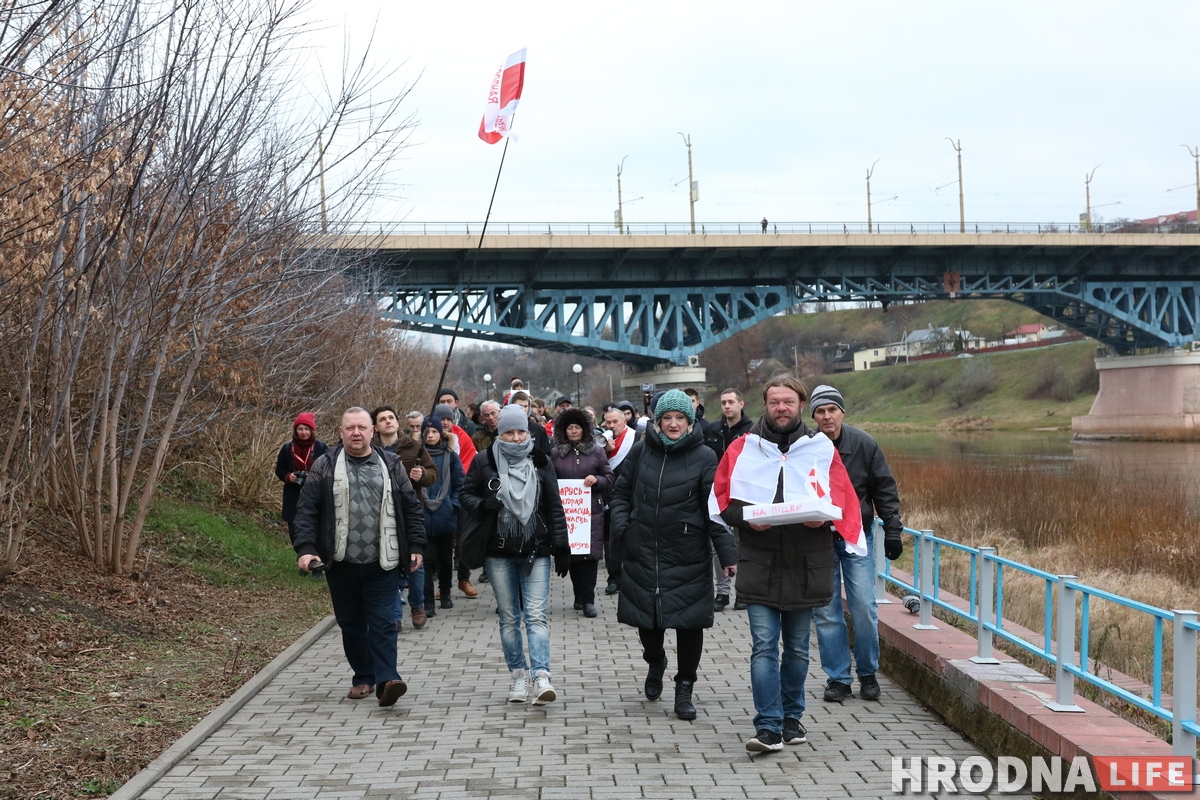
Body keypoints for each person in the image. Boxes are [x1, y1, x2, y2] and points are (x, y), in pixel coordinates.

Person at [711, 375, 861, 752]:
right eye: (775, 401)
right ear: (765, 405)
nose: (781, 408)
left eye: (788, 402)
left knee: (796, 649)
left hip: (807, 561)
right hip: (759, 559)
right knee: (763, 646)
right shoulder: (744, 447)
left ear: (799, 405)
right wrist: (746, 519)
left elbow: (842, 497)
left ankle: (792, 717)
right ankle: (767, 725)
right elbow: (722, 498)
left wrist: (824, 518)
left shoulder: (820, 448)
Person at [609, 390, 736, 721]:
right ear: (658, 421)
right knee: (647, 621)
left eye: (681, 418)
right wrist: (624, 528)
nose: (674, 424)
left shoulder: (705, 456)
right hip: (643, 549)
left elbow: (715, 510)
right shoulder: (641, 451)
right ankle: (655, 661)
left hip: (687, 551)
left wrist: (727, 553)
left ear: (690, 421)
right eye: (667, 418)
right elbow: (620, 493)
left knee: (688, 622)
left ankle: (685, 687)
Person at [293, 408, 426, 707]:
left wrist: (416, 544)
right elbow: (306, 511)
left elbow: (410, 508)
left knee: (382, 623)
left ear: (371, 432)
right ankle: (363, 676)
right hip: (340, 563)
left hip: (383, 560)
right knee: (351, 624)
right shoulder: (324, 465)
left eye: (362, 427)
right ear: (340, 432)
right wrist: (306, 549)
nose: (356, 433)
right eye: (350, 428)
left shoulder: (391, 464)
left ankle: (388, 680)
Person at [459, 404, 571, 705]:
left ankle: (542, 676)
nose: (517, 437)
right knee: (509, 618)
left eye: (521, 430)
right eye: (509, 432)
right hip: (498, 552)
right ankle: (519, 676)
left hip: (537, 548)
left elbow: (554, 505)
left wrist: (562, 547)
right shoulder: (485, 461)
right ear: (500, 432)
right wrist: (484, 505)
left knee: (536, 616)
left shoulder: (541, 460)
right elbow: (465, 495)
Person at [808, 385, 903, 704]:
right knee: (826, 611)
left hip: (856, 537)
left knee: (863, 605)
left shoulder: (864, 444)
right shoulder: (805, 447)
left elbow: (885, 489)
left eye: (831, 410)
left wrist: (893, 529)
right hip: (818, 539)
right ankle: (838, 678)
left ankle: (867, 672)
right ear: (814, 417)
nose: (826, 416)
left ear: (842, 412)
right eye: (820, 412)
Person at [371, 405, 438, 630]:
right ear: (375, 426)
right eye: (383, 419)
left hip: (409, 512)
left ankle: (417, 604)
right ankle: (395, 615)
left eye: (391, 417)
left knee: (414, 564)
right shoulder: (369, 450)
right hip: (382, 516)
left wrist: (422, 475)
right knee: (389, 564)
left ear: (398, 422)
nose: (388, 421)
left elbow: (432, 474)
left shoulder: (414, 447)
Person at [550, 408, 614, 618]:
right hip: (567, 513)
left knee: (590, 557)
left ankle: (588, 600)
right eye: (570, 427)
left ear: (584, 429)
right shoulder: (556, 453)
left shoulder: (596, 451)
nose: (574, 431)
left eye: (578, 427)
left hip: (591, 512)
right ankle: (579, 595)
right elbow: (549, 481)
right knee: (574, 556)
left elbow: (609, 477)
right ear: (564, 430)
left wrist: (597, 481)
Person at [702, 388, 753, 612]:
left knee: (743, 544)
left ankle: (742, 591)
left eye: (731, 402)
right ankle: (722, 592)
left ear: (741, 404)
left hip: (744, 493)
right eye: (723, 402)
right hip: (718, 492)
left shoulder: (752, 431)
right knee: (718, 542)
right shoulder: (713, 430)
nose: (726, 406)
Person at [418, 416, 464, 613]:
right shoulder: (418, 456)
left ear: (441, 433)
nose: (431, 435)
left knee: (445, 559)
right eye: (427, 432)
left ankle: (445, 592)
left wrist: (453, 505)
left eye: (435, 431)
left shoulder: (450, 455)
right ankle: (428, 601)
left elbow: (459, 483)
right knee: (426, 560)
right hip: (423, 515)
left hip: (445, 514)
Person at [600, 406, 638, 595]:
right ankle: (614, 577)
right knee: (610, 540)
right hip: (609, 495)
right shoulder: (601, 441)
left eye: (616, 421)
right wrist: (605, 452)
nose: (612, 425)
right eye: (609, 422)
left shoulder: (636, 437)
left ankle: (633, 577)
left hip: (632, 495)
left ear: (625, 421)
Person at [275, 412, 327, 544]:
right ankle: (301, 555)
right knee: (294, 532)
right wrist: (288, 476)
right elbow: (279, 469)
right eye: (300, 429)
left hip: (315, 495)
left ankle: (314, 557)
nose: (303, 432)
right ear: (295, 430)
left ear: (312, 430)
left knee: (316, 530)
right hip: (294, 495)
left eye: (306, 429)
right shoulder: (287, 449)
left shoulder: (321, 448)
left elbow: (329, 470)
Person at [435, 403, 477, 473]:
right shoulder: (428, 434)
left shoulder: (461, 435)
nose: (445, 423)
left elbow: (469, 458)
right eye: (442, 419)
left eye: (448, 419)